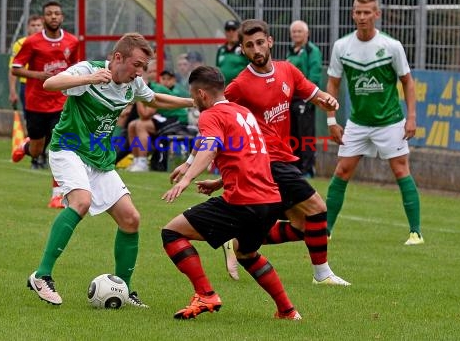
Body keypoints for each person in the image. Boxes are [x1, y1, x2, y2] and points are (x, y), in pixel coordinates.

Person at [171, 19, 350, 285]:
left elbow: (317, 96)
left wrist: (329, 102)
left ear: (270, 42)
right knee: (317, 208)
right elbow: (213, 122)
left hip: (284, 158)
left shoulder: (288, 71)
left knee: (304, 226)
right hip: (269, 160)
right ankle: (322, 274)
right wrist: (189, 163)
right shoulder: (240, 85)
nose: (256, 49)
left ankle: (238, 242)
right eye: (249, 45)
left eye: (259, 43)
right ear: (243, 50)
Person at [26, 32, 194, 307]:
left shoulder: (133, 85)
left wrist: (193, 102)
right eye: (136, 65)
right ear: (118, 57)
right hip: (68, 149)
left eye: (144, 67)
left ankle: (124, 290)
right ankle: (42, 275)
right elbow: (50, 83)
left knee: (131, 219)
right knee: (81, 202)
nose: (139, 72)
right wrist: (88, 79)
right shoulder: (90, 70)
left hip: (99, 158)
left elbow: (153, 99)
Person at [161, 65, 302, 321]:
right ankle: (288, 311)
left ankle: (205, 294)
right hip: (270, 200)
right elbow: (248, 157)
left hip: (243, 202)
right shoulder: (243, 112)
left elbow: (209, 147)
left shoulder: (211, 115)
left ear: (202, 94)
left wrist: (187, 178)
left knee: (171, 232)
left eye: (193, 96)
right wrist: (219, 182)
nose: (194, 102)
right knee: (246, 253)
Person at [325, 0, 423, 245]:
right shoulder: (342, 46)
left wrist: (411, 117)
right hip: (357, 123)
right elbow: (333, 84)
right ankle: (326, 230)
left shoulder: (391, 46)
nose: (362, 17)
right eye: (358, 12)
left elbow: (408, 82)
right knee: (342, 171)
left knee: (401, 170)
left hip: (390, 122)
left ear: (376, 15)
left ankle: (415, 232)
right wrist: (331, 120)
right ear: (352, 14)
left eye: (367, 12)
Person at [11, 1, 79, 208]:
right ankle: (25, 146)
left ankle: (57, 195)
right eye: (49, 14)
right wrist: (38, 75)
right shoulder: (31, 42)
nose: (54, 17)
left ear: (62, 17)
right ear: (43, 18)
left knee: (60, 147)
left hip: (61, 102)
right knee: (37, 149)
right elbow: (16, 68)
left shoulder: (72, 41)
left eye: (57, 13)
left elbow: (77, 67)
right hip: (36, 102)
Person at [126, 61, 190, 172]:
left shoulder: (155, 89)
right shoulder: (148, 86)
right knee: (132, 125)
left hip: (178, 119)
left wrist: (138, 97)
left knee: (141, 124)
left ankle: (143, 162)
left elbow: (145, 115)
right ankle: (136, 161)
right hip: (165, 117)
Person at [286, 20, 323, 178]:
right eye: (294, 32)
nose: (296, 34)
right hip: (290, 99)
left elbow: (315, 74)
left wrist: (308, 97)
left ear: (306, 33)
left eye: (299, 31)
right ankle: (295, 167)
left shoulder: (311, 51)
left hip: (305, 99)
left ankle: (308, 168)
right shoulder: (291, 51)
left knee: (305, 135)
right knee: (292, 133)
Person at [8, 14, 44, 169]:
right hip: (28, 86)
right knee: (34, 122)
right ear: (28, 27)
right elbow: (13, 68)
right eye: (33, 25)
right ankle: (35, 157)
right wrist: (12, 91)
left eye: (39, 25)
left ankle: (43, 153)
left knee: (53, 124)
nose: (36, 28)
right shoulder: (21, 43)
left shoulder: (50, 43)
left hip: (48, 87)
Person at [216, 20, 248, 85]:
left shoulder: (244, 48)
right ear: (225, 32)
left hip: (240, 88)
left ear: (239, 32)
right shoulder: (221, 50)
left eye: (234, 29)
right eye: (228, 30)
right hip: (223, 88)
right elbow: (218, 67)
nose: (231, 32)